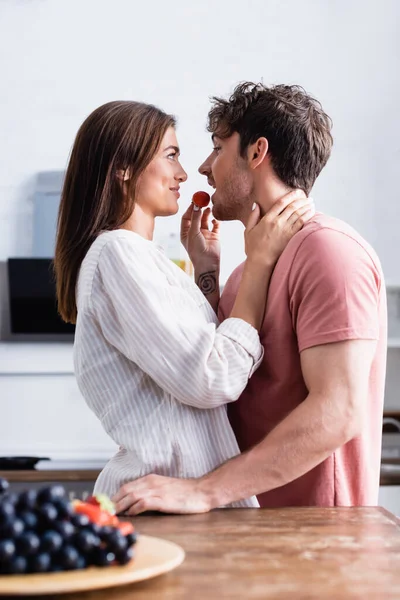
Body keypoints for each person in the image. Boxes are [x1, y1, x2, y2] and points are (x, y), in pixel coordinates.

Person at [113, 83, 387, 515]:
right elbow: (218, 373)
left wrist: (203, 491)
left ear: (257, 153)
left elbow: (339, 411)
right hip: (250, 529)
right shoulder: (248, 273)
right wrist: (207, 273)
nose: (203, 167)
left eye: (218, 148)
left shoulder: (331, 253)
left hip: (313, 543)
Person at [54, 99, 314, 508]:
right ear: (123, 167)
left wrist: (206, 272)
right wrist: (260, 262)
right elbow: (213, 377)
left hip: (178, 508)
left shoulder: (143, 259)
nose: (184, 172)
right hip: (164, 508)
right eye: (171, 156)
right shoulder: (117, 255)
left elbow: (193, 356)